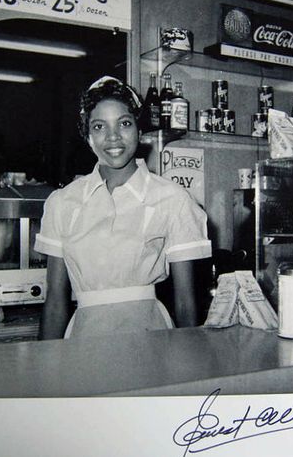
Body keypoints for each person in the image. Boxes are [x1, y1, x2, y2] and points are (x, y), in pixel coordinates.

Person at [34, 76, 212, 339]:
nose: (113, 137)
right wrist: (45, 371)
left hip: (151, 338)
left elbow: (186, 303)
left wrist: (189, 369)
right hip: (84, 340)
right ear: (88, 137)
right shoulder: (62, 203)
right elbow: (55, 302)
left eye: (125, 124)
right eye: (99, 127)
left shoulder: (173, 199)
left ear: (140, 132)